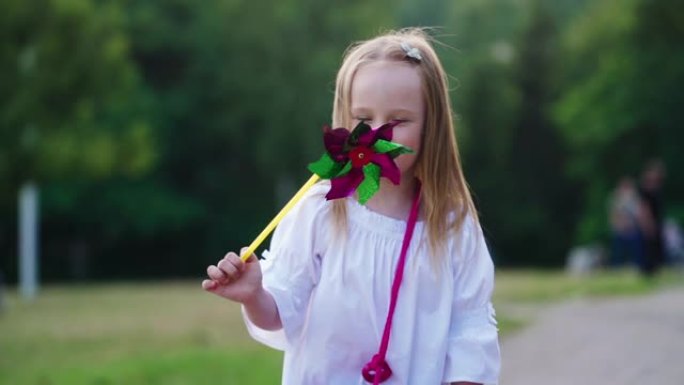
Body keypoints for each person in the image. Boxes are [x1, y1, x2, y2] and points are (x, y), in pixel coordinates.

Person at [202, 28, 500, 385]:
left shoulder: (451, 224)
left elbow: (470, 325)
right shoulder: (320, 211)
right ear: (346, 121)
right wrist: (254, 295)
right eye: (363, 119)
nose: (376, 134)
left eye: (398, 121)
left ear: (431, 127)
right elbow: (280, 313)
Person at [637, 159, 666, 276]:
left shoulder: (656, 188)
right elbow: (644, 207)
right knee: (648, 245)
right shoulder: (646, 189)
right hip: (649, 220)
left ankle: (655, 268)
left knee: (654, 245)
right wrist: (647, 222)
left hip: (656, 219)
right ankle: (647, 270)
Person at [608, 177, 642, 267]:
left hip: (632, 229)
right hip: (620, 229)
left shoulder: (634, 200)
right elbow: (614, 215)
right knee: (619, 251)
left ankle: (635, 264)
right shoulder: (616, 200)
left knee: (635, 249)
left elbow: (637, 214)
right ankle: (617, 265)